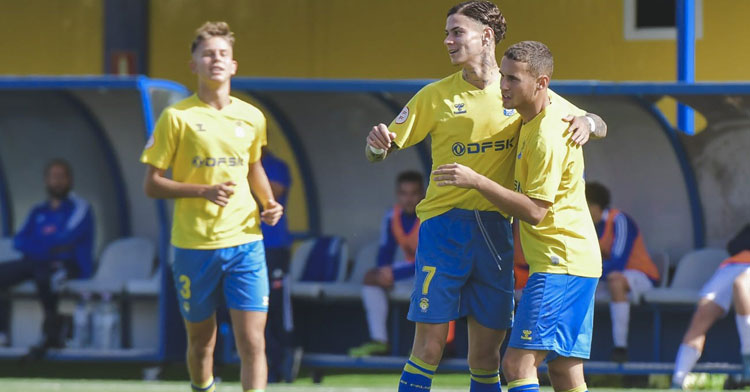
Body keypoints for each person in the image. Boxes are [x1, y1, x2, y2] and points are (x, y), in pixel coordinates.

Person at [365, 2, 606, 390]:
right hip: (444, 228)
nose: (448, 40)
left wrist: (588, 120)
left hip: (497, 230)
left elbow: (591, 122)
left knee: (488, 356)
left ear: (486, 37)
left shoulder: (519, 89)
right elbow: (380, 150)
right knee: (429, 349)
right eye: (447, 32)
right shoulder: (435, 96)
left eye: (457, 32)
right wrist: (376, 145)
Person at [433, 40, 602, 392]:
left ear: (541, 83)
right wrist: (590, 120)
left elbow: (536, 212)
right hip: (575, 263)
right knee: (565, 372)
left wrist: (476, 181)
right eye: (503, 77)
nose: (503, 86)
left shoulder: (546, 136)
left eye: (512, 80)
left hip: (561, 263)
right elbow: (597, 122)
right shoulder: (546, 111)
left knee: (517, 363)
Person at [141, 21, 283, 392]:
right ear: (194, 66)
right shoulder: (177, 117)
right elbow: (152, 184)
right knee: (202, 341)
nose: (215, 60)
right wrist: (200, 192)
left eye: (222, 54)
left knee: (253, 341)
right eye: (207, 54)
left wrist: (269, 203)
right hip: (194, 245)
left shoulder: (252, 117)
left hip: (245, 241)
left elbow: (254, 167)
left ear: (233, 65)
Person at [0, 158, 94, 353]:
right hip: (35, 262)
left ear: (70, 180)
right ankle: (2, 333)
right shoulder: (38, 211)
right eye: (53, 177)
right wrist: (45, 245)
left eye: (61, 177)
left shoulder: (80, 207)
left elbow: (66, 239)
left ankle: (51, 334)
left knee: (46, 276)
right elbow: (19, 241)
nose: (57, 181)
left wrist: (39, 244)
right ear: (46, 181)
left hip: (69, 264)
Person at [348, 171, 426, 357]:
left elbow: (429, 258)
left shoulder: (429, 215)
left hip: (430, 273)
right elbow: (385, 250)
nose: (408, 199)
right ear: (397, 194)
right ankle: (379, 341)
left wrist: (394, 273)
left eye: (413, 193)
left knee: (431, 282)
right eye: (403, 193)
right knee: (371, 277)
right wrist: (384, 271)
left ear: (422, 194)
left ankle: (426, 345)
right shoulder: (392, 216)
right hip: (410, 273)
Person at [586, 181, 660, 362]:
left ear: (594, 206)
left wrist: (588, 273)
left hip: (641, 275)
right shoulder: (586, 225)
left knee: (616, 281)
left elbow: (619, 262)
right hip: (606, 276)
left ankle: (620, 348)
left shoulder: (619, 220)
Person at [671, 224, 750, 390]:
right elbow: (733, 246)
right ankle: (678, 381)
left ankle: (748, 361)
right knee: (703, 312)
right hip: (731, 267)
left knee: (741, 285)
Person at [259, 147, 298, 383]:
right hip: (246, 245)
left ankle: (284, 362)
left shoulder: (275, 165)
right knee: (254, 309)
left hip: (274, 248)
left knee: (276, 308)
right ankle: (267, 365)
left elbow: (272, 191)